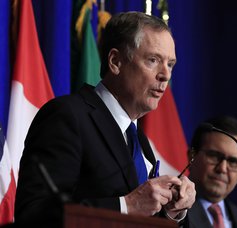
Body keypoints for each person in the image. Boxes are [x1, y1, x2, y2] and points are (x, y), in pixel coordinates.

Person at [14, 12, 196, 226]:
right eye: (153, 60)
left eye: (170, 64)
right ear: (115, 61)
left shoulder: (139, 140)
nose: (165, 75)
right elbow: (34, 214)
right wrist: (127, 205)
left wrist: (172, 212)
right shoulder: (67, 116)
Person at [183, 116, 237, 228]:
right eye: (214, 156)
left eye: (233, 162)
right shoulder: (171, 209)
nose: (222, 169)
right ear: (192, 156)